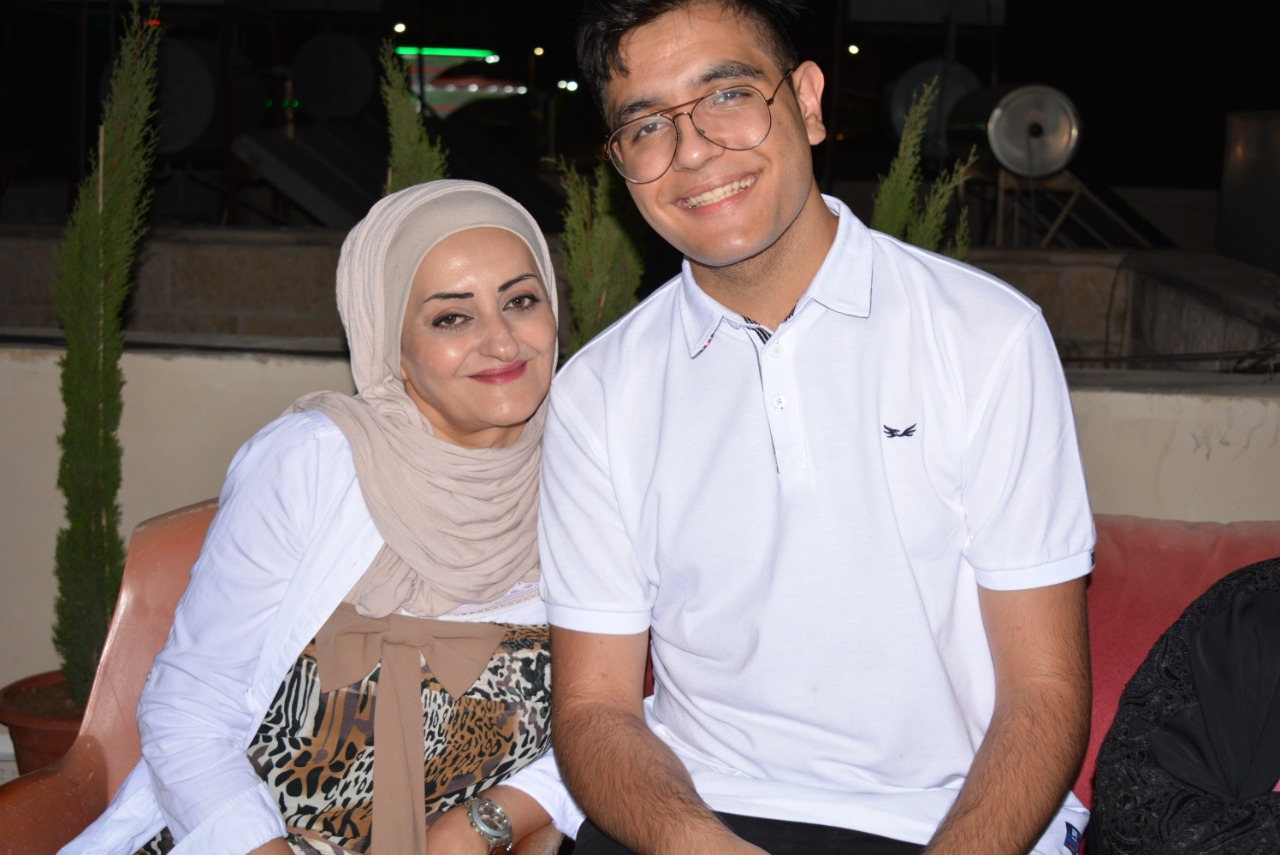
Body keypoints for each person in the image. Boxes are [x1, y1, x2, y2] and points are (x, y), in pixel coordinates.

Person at [536, 2, 1095, 854]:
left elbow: (1044, 690)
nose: (693, 151)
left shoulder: (985, 337)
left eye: (727, 95)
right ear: (621, 164)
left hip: (940, 820)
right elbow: (593, 709)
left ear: (806, 101)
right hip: (697, 816)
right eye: (647, 125)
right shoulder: (598, 392)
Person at [62, 180, 582, 855]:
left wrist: (488, 819)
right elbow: (190, 705)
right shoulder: (314, 463)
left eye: (520, 301)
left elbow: (626, 716)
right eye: (452, 318)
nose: (502, 342)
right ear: (389, 342)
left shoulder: (591, 475)